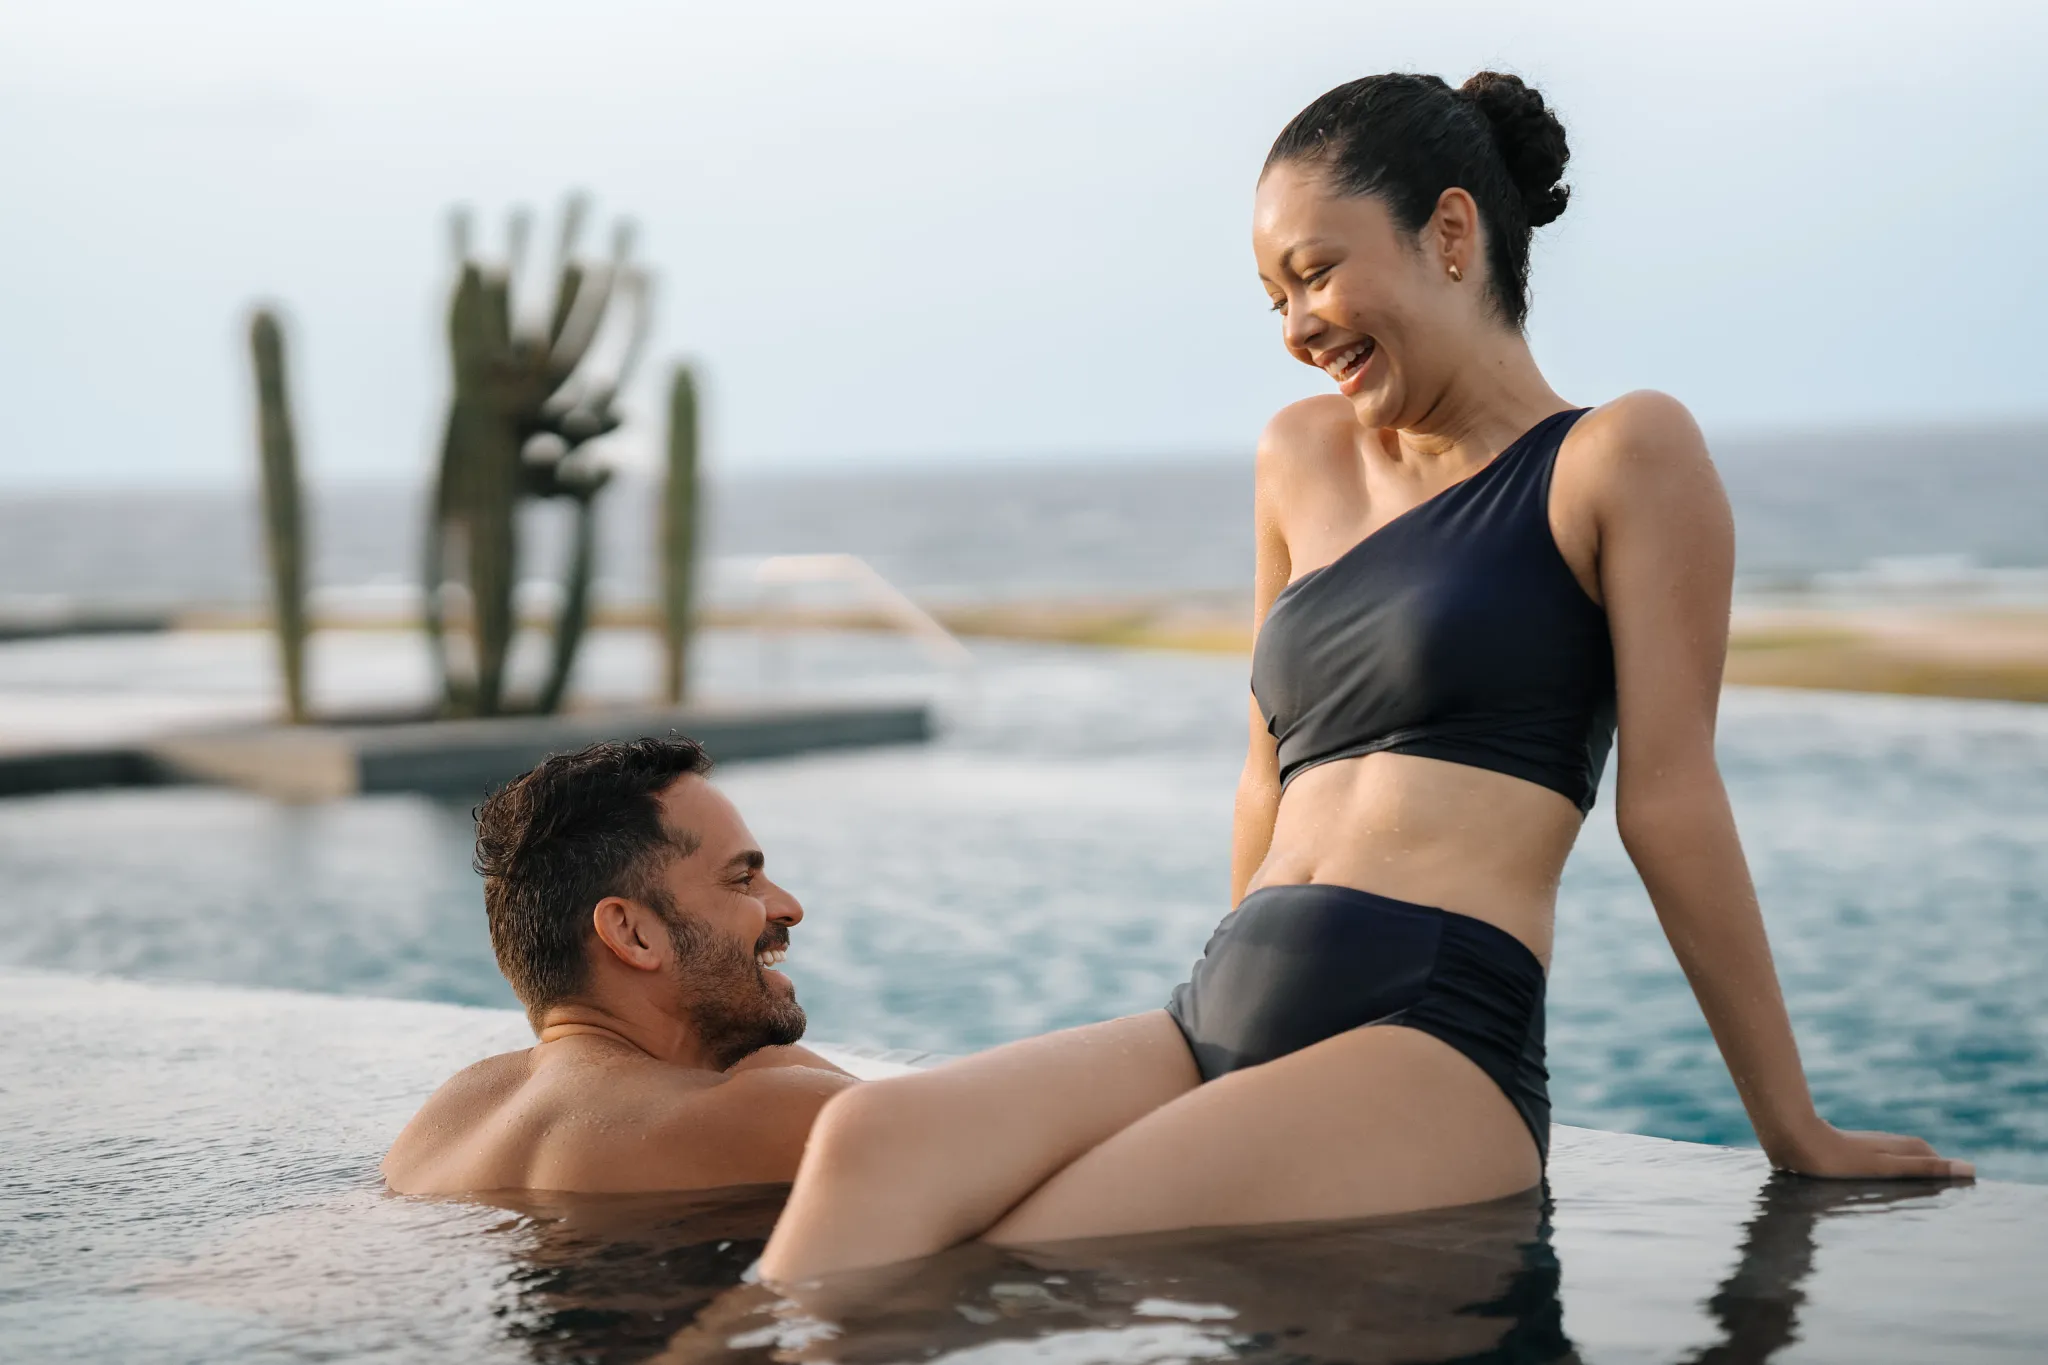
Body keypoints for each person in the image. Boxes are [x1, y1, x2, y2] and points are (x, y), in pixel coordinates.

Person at [756, 70, 1971, 1282]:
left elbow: (1671, 802)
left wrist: (1789, 1129)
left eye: (1317, 272)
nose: (1296, 325)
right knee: (872, 1142)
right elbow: (1260, 780)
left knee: (1020, 1254)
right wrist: (1227, 1011)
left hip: (1428, 1034)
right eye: (1273, 296)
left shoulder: (1619, 455)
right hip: (1219, 1010)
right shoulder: (1297, 456)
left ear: (1450, 232)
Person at [382, 737, 856, 1195]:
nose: (790, 907)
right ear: (631, 933)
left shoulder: (449, 1118)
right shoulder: (780, 1118)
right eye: (742, 879)